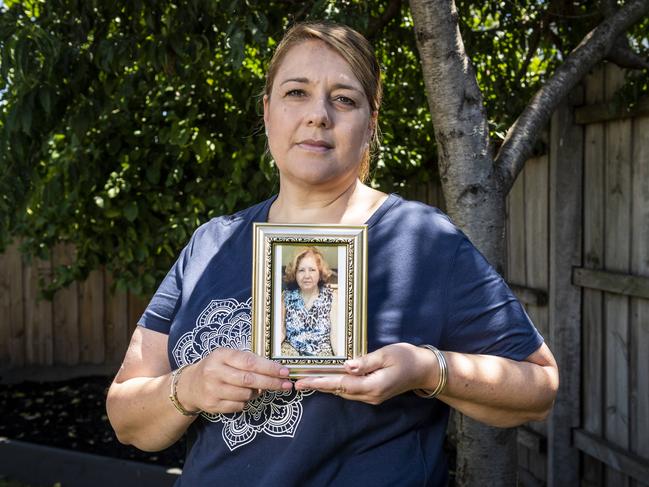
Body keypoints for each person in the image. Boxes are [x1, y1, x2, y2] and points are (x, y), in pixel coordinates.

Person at [106, 21, 558, 486]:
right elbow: (126, 417)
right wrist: (190, 386)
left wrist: (427, 369)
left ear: (370, 123)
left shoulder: (422, 241)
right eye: (296, 92)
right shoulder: (211, 243)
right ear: (267, 112)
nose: (318, 114)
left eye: (344, 98)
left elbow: (539, 389)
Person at [280, 247, 339, 357]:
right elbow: (280, 333)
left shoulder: (332, 297)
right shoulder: (286, 296)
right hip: (290, 357)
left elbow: (336, 337)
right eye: (301, 270)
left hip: (321, 359)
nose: (307, 276)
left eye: (312, 270)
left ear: (320, 272)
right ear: (295, 273)